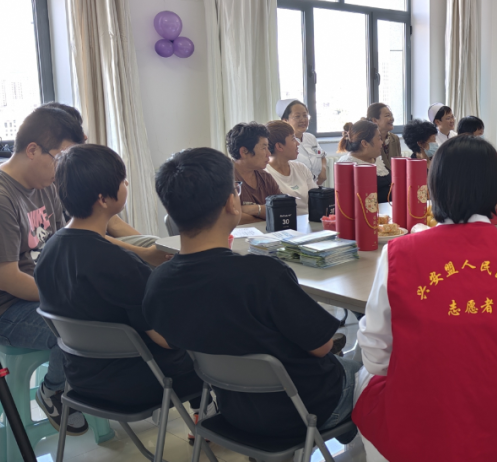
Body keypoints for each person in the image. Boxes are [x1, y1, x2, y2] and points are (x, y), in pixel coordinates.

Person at [355, 136, 497, 462]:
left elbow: (375, 357)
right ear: (496, 189)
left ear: (434, 187)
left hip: (417, 432)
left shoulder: (398, 253)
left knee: (363, 378)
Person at [144, 147, 357, 439]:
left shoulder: (159, 281)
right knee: (372, 365)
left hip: (235, 412)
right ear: (231, 203)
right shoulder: (263, 274)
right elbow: (322, 347)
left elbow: (168, 339)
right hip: (308, 408)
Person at [35, 144, 202, 419]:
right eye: (123, 180)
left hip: (80, 381)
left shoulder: (49, 251)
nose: (127, 184)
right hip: (138, 384)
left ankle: (203, 416)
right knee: (211, 347)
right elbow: (167, 340)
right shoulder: (120, 264)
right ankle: (209, 419)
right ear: (102, 199)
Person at [0, 106, 86, 434]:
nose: (63, 169)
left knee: (103, 310)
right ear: (33, 150)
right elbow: (8, 280)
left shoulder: (45, 184)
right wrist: (67, 296)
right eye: (60, 158)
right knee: (80, 328)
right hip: (1, 310)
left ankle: (83, 384)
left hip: (39, 291)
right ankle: (54, 390)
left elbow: (59, 243)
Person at [38, 102, 166, 260]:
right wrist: (143, 254)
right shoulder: (60, 180)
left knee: (155, 243)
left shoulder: (84, 168)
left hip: (91, 240)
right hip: (82, 248)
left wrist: (151, 250)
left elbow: (114, 224)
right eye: (76, 131)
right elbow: (81, 238)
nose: (84, 137)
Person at [228, 122, 281, 224]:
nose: (269, 153)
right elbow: (229, 217)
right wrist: (267, 216)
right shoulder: (225, 179)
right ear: (244, 151)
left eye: (268, 148)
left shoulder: (266, 178)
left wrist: (256, 209)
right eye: (263, 148)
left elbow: (282, 211)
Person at [264, 120, 317, 216]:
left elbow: (316, 199)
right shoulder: (265, 174)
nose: (298, 143)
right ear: (279, 146)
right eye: (293, 139)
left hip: (310, 220)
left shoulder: (301, 168)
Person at [337, 119, 391, 201]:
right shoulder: (347, 165)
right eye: (379, 138)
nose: (382, 142)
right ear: (364, 143)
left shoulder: (376, 159)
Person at [278, 99, 327, 185]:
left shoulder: (310, 138)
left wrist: (323, 171)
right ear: (285, 120)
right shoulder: (282, 143)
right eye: (297, 116)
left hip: (315, 186)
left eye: (305, 115)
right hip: (296, 187)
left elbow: (322, 156)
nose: (303, 120)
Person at [367, 102, 404, 172]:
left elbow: (399, 165)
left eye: (391, 115)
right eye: (387, 116)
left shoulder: (395, 138)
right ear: (375, 120)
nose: (392, 119)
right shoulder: (368, 140)